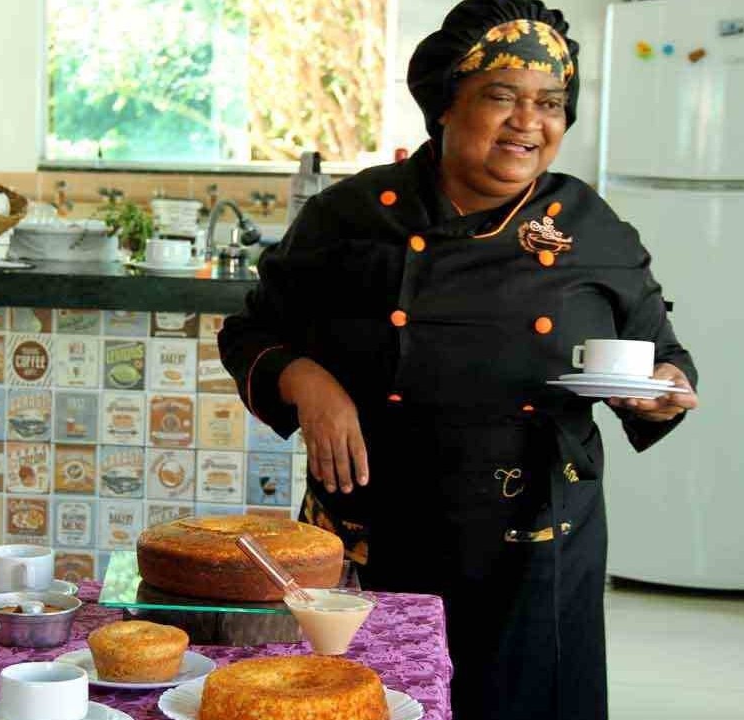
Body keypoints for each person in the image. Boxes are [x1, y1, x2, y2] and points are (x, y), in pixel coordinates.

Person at [217, 2, 699, 719]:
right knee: (363, 701)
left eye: (549, 104)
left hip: (534, 543)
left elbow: (664, 357)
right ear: (446, 104)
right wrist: (305, 378)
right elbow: (251, 332)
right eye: (501, 97)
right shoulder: (352, 216)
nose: (528, 123)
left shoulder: (591, 227)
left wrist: (663, 389)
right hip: (371, 531)